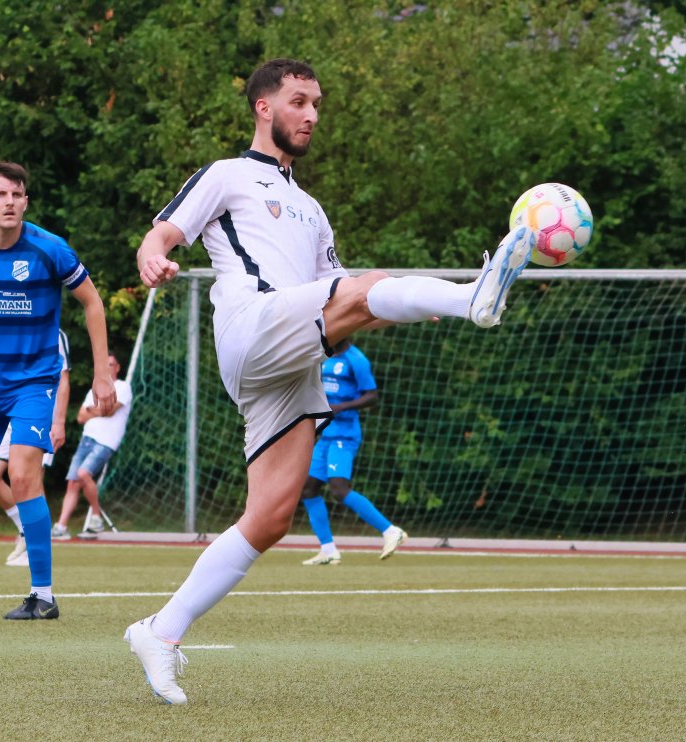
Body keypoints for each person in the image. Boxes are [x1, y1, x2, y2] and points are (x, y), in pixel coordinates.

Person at [124, 57, 536, 704]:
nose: (311, 114)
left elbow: (345, 309)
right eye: (297, 101)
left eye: (316, 103)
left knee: (269, 518)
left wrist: (408, 307)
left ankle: (160, 631)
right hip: (250, 328)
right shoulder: (227, 176)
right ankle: (472, 296)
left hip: (289, 360)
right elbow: (163, 234)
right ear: (264, 107)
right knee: (368, 285)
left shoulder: (312, 210)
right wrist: (153, 259)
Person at [0, 160, 116, 621]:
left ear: (25, 202)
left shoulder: (48, 249)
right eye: (1, 195)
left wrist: (101, 375)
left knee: (21, 475)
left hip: (34, 383)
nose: (10, 202)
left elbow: (92, 302)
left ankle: (43, 595)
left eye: (17, 195)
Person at [300, 337, 406, 565]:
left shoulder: (357, 360)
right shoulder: (326, 356)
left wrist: (341, 407)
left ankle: (390, 531)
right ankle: (328, 550)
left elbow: (372, 396)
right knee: (308, 488)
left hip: (345, 435)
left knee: (338, 489)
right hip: (327, 434)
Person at [0, 329, 71, 567]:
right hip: (10, 414)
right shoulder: (12, 324)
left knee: (31, 481)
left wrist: (59, 422)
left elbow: (64, 379)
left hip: (39, 415)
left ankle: (35, 548)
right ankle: (25, 530)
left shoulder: (54, 332)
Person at [52, 353, 133, 539]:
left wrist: (92, 410)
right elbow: (81, 417)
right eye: (105, 365)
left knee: (83, 474)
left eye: (111, 364)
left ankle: (96, 518)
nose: (108, 368)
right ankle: (61, 526)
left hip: (106, 441)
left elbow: (110, 410)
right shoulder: (94, 390)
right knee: (73, 482)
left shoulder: (123, 387)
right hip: (87, 438)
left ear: (118, 367)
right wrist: (96, 410)